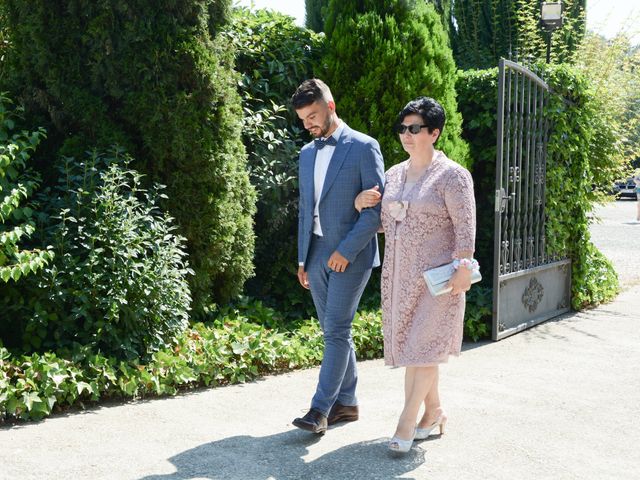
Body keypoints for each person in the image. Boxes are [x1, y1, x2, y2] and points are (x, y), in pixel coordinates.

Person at [355, 97, 477, 453]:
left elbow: (465, 228)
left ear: (434, 133)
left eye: (414, 129)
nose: (406, 136)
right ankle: (434, 412)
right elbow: (388, 221)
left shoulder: (453, 176)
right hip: (399, 280)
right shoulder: (393, 174)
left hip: (440, 281)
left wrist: (464, 268)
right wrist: (362, 203)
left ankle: (406, 425)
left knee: (423, 350)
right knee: (417, 351)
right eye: (402, 129)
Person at [291, 79, 385, 435]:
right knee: (333, 330)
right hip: (315, 254)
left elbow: (374, 212)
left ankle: (320, 410)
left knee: (336, 331)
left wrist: (345, 251)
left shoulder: (364, 147)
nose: (308, 125)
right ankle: (348, 402)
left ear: (330, 106)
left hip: (352, 253)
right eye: (303, 119)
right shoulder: (306, 154)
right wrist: (303, 258)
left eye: (313, 116)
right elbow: (305, 211)